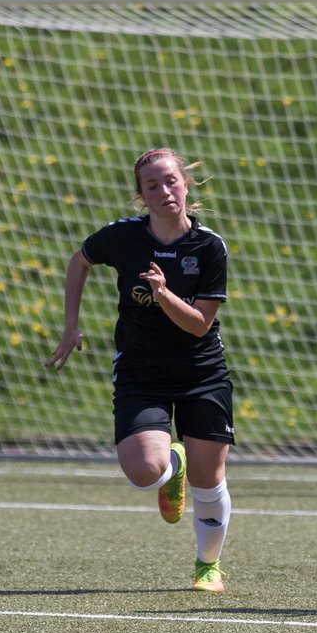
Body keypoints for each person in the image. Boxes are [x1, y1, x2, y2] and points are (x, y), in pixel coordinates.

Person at [45, 148, 236, 593]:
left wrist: (164, 294)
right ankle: (174, 464)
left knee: (211, 479)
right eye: (152, 186)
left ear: (186, 185)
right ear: (141, 196)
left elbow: (199, 324)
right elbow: (81, 261)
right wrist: (71, 324)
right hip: (140, 369)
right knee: (144, 471)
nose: (164, 191)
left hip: (200, 370)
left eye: (171, 181)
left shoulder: (208, 247)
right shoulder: (123, 237)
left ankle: (208, 566)